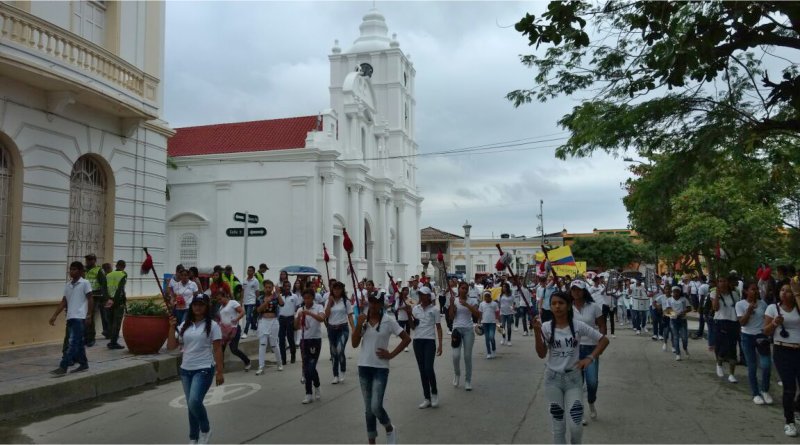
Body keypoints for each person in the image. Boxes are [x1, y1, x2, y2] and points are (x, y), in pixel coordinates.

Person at [533, 291, 610, 444]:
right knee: (558, 425)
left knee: (576, 426)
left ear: (568, 306)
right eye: (554, 303)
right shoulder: (546, 327)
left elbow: (603, 340)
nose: (557, 306)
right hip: (552, 380)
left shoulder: (578, 325)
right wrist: (536, 332)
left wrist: (589, 358)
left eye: (561, 303)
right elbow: (541, 354)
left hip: (573, 380)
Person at [351, 292, 411, 444]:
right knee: (368, 409)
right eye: (371, 302)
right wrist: (358, 325)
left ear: (382, 304)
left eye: (377, 302)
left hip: (380, 368)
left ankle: (389, 427)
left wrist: (391, 354)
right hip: (364, 366)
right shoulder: (363, 320)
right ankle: (372, 441)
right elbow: (354, 343)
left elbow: (406, 338)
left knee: (376, 406)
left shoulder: (388, 321)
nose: (373, 305)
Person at [167, 294, 224, 445]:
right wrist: (172, 326)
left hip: (204, 368)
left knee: (194, 401)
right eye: (195, 304)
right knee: (190, 406)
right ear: (191, 306)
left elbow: (218, 349)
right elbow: (171, 347)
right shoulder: (184, 325)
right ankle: (193, 437)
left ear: (206, 307)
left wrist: (220, 372)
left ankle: (205, 430)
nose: (198, 307)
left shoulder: (213, 325)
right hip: (186, 370)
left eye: (201, 304)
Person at [764, 283, 800, 437]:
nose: (785, 293)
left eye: (789, 291)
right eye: (782, 290)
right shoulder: (773, 308)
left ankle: (797, 408)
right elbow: (765, 331)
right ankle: (789, 422)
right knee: (789, 388)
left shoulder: (798, 307)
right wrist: (774, 323)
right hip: (782, 350)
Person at [569, 279, 605, 422]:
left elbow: (602, 325)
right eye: (573, 289)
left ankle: (591, 401)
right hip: (574, 349)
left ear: (584, 291)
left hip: (591, 348)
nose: (576, 292)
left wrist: (600, 343)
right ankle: (580, 411)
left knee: (592, 382)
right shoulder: (567, 308)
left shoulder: (594, 307)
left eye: (579, 289)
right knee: (577, 383)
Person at [49, 261, 93, 375]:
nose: (71, 271)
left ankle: (63, 367)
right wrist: (54, 315)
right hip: (70, 317)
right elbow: (64, 301)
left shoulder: (85, 283)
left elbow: (90, 299)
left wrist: (89, 315)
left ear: (80, 271)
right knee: (78, 343)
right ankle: (84, 364)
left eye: (74, 269)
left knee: (72, 342)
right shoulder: (68, 285)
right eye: (71, 269)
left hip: (80, 317)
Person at [736, 282, 772, 405]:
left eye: (757, 289)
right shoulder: (740, 304)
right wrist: (749, 311)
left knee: (766, 365)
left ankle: (765, 390)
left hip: (762, 336)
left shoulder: (763, 304)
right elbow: (742, 323)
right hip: (747, 337)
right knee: (752, 366)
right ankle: (755, 393)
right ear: (746, 291)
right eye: (753, 289)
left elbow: (767, 320)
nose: (756, 291)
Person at [411, 286, 442, 409]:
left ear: (429, 296)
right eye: (420, 294)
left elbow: (439, 327)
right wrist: (409, 315)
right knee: (422, 370)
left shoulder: (434, 310)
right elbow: (412, 326)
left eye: (423, 294)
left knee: (429, 368)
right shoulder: (415, 309)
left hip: (429, 341)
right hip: (417, 341)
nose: (421, 296)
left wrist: (440, 345)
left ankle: (434, 393)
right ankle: (426, 397)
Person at [295, 288, 326, 404]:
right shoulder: (300, 309)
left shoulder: (318, 307)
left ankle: (317, 385)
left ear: (313, 298)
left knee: (311, 367)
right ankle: (308, 393)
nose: (306, 300)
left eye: (309, 298)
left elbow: (322, 319)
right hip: (304, 340)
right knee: (306, 368)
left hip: (315, 340)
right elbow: (296, 326)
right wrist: (298, 317)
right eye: (305, 298)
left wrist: (309, 313)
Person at [448, 281, 481, 390]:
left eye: (466, 288)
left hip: (468, 330)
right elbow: (451, 317)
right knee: (456, 356)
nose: (464, 290)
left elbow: (477, 314)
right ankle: (457, 374)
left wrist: (466, 304)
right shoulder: (455, 300)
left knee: (467, 357)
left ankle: (468, 381)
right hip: (457, 329)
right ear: (459, 289)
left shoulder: (472, 300)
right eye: (462, 288)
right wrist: (452, 304)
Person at [712, 276, 740, 382]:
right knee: (722, 346)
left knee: (732, 347)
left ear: (728, 282)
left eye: (724, 280)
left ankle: (732, 374)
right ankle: (719, 363)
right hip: (721, 322)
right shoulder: (714, 294)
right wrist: (717, 295)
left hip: (733, 322)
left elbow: (738, 308)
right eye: (720, 281)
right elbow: (715, 308)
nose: (722, 283)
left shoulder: (734, 294)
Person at [325, 281, 354, 384]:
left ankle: (342, 370)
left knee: (339, 350)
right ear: (332, 290)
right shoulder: (329, 300)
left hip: (343, 328)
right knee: (333, 352)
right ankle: (335, 375)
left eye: (338, 289)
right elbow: (326, 315)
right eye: (334, 289)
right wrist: (329, 303)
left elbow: (350, 315)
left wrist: (353, 328)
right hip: (331, 329)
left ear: (342, 290)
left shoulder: (346, 301)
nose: (336, 291)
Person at [216, 290, 252, 371]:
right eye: (218, 300)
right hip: (224, 331)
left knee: (234, 349)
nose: (219, 301)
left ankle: (247, 361)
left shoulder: (232, 303)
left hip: (234, 329)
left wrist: (236, 319)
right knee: (221, 349)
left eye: (220, 299)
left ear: (225, 297)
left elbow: (242, 312)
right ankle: (220, 367)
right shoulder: (221, 307)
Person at [255, 279, 283, 374]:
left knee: (274, 344)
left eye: (269, 287)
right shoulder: (260, 298)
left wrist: (278, 293)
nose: (267, 289)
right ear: (264, 288)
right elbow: (258, 310)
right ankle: (261, 367)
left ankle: (279, 363)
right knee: (262, 344)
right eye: (266, 287)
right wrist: (266, 302)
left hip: (274, 321)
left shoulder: (275, 297)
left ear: (272, 288)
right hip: (263, 321)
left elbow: (282, 304)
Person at [82, 254, 109, 346]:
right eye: (87, 260)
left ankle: (91, 338)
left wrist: (105, 299)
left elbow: (104, 285)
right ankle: (85, 337)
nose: (88, 261)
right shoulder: (84, 270)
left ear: (94, 260)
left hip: (95, 296)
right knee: (84, 316)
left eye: (90, 260)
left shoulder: (99, 270)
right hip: (85, 296)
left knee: (90, 316)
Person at [105, 260, 128, 350]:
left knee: (110, 321)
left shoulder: (109, 275)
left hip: (109, 301)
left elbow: (105, 287)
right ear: (124, 266)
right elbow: (120, 289)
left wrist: (108, 299)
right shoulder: (123, 274)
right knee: (117, 322)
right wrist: (119, 300)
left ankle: (111, 340)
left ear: (116, 265)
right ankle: (113, 342)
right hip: (118, 302)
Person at [278, 280, 299, 365]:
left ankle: (293, 355)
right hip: (281, 319)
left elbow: (297, 308)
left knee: (290, 339)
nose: (287, 288)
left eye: (289, 286)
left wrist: (296, 318)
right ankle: (283, 359)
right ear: (283, 287)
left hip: (290, 318)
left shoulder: (294, 296)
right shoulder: (279, 296)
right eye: (286, 286)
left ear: (290, 287)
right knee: (281, 339)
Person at [666, 286, 691, 360]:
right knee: (676, 337)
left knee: (684, 338)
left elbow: (689, 308)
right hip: (673, 320)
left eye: (677, 291)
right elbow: (668, 309)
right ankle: (678, 354)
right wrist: (674, 314)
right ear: (672, 292)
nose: (675, 293)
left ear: (680, 292)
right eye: (674, 291)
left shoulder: (684, 299)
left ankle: (685, 348)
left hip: (682, 320)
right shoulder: (669, 300)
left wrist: (683, 312)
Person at [240, 266, 260, 339]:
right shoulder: (244, 279)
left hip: (252, 301)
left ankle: (245, 332)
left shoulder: (255, 281)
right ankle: (254, 327)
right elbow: (242, 290)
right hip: (245, 301)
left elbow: (257, 291)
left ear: (253, 272)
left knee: (248, 316)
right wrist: (241, 300)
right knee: (250, 316)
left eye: (250, 271)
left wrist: (257, 301)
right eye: (248, 270)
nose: (249, 272)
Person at [479, 291, 499, 359]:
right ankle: (489, 352)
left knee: (491, 337)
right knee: (487, 338)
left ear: (490, 296)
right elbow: (480, 313)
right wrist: (479, 322)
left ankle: (493, 349)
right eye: (485, 296)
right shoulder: (482, 304)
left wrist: (498, 320)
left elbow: (497, 312)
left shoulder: (494, 304)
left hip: (492, 323)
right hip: (484, 323)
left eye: (488, 296)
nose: (487, 298)